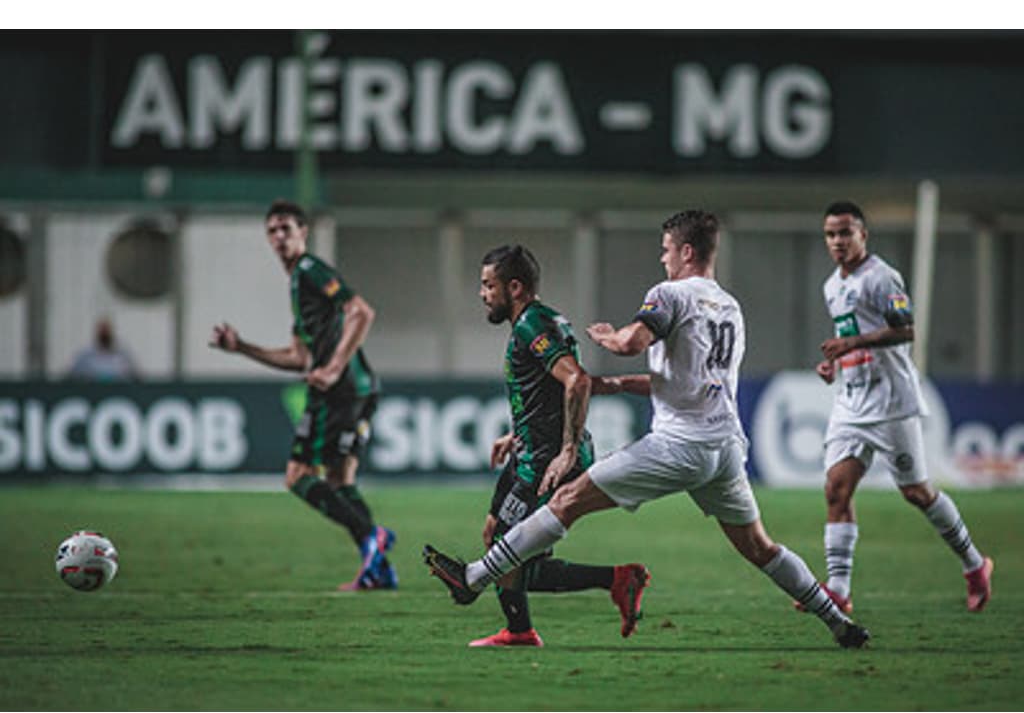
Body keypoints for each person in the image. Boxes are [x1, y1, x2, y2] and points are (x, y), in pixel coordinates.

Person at [424, 210, 871, 649]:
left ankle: (474, 576)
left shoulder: (669, 294)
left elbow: (632, 343)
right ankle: (838, 622)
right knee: (760, 547)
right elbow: (686, 381)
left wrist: (610, 338)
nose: (663, 260)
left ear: (686, 251)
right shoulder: (730, 307)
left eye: (666, 250)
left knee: (565, 501)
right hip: (726, 448)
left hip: (680, 446)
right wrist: (614, 386)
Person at [425, 245, 650, 647]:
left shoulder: (532, 325)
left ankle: (615, 580)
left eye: (488, 285)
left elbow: (577, 381)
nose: (482, 294)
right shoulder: (538, 321)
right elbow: (548, 388)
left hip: (547, 460)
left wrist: (566, 450)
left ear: (514, 287)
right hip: (528, 450)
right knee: (496, 533)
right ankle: (520, 628)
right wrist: (517, 434)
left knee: (508, 556)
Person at [807, 200, 993, 613]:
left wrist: (852, 344)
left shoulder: (882, 277)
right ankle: (839, 589)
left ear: (862, 235)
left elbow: (905, 329)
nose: (837, 241)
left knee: (916, 492)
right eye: (830, 234)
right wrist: (835, 362)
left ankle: (975, 565)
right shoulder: (830, 285)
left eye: (845, 232)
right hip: (852, 402)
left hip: (891, 402)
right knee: (836, 490)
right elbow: (850, 334)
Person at [209, 199, 396, 591]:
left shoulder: (310, 270)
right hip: (360, 389)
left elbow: (361, 311)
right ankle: (377, 570)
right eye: (272, 231)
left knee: (297, 477)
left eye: (286, 229)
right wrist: (241, 346)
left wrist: (331, 368)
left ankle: (370, 535)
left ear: (303, 233)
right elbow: (298, 357)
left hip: (338, 392)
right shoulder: (299, 288)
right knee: (341, 479)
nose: (279, 237)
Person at [69, 317, 138, 381]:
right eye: (102, 331)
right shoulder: (86, 355)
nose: (105, 333)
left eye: (107, 330)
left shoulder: (122, 354)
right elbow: (73, 376)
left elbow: (133, 375)